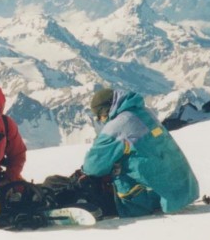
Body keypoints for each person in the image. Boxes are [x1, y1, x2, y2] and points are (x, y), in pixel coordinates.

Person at [82, 88, 199, 217]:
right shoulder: (143, 113)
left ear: (107, 108)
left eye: (100, 114)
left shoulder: (117, 126)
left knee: (104, 180)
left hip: (154, 197)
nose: (101, 119)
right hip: (183, 189)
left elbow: (93, 167)